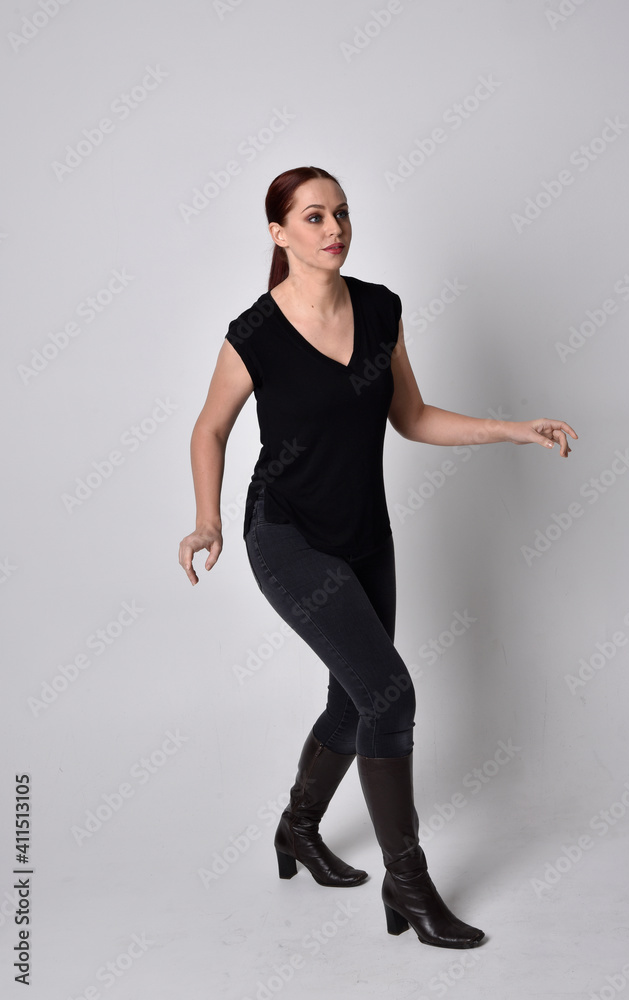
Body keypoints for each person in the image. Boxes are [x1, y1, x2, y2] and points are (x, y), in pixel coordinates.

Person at [178, 165, 577, 949]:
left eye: (343, 215)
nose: (334, 229)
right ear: (278, 233)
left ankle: (297, 827)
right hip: (286, 534)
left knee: (355, 699)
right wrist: (207, 519)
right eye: (315, 217)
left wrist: (512, 429)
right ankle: (409, 881)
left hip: (365, 534)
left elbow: (413, 415)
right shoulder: (254, 333)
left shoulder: (381, 308)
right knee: (389, 696)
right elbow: (210, 428)